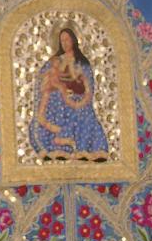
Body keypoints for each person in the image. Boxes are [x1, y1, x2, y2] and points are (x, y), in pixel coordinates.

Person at [29, 26, 109, 160]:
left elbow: (88, 87)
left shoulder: (82, 63)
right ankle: (58, 148)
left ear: (74, 40)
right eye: (62, 40)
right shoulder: (54, 61)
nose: (65, 43)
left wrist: (81, 100)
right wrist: (55, 87)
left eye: (67, 39)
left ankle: (84, 149)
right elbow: (43, 80)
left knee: (85, 116)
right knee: (44, 117)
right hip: (55, 100)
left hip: (78, 100)